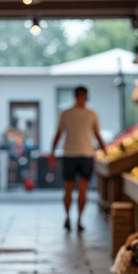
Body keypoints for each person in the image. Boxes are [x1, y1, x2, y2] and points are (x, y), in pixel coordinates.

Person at [48, 86, 107, 232]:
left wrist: (52, 151)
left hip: (71, 154)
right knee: (80, 189)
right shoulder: (91, 114)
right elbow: (97, 134)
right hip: (85, 154)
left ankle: (71, 218)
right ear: (83, 96)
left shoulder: (66, 113)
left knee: (72, 188)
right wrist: (105, 149)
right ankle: (76, 219)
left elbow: (58, 133)